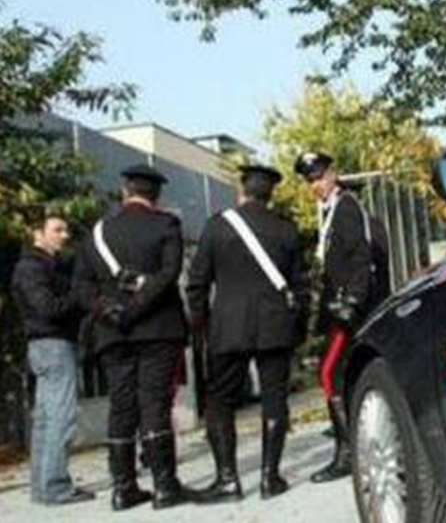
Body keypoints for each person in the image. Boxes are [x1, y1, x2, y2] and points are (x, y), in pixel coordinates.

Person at [72, 163, 196, 511]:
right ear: (156, 195)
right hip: (157, 328)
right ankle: (165, 486)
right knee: (154, 403)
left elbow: (81, 286)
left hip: (112, 331)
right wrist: (137, 306)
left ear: (125, 192)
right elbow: (169, 274)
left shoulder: (97, 232)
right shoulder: (166, 224)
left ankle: (123, 488)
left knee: (121, 406)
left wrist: (108, 310)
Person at [187, 164, 308, 503]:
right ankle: (270, 478)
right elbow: (300, 287)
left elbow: (197, 283)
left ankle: (228, 480)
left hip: (228, 326)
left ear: (241, 191)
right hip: (275, 325)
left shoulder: (217, 226)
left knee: (220, 400)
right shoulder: (286, 229)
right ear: (271, 194)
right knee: (275, 397)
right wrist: (296, 329)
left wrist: (200, 326)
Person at [293, 151, 377, 483]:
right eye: (310, 180)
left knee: (329, 374)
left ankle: (347, 454)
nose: (315, 185)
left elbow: (361, 256)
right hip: (337, 307)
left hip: (347, 308)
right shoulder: (330, 209)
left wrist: (352, 300)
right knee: (339, 375)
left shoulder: (345, 207)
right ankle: (351, 446)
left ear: (332, 173)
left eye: (319, 177)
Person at [12, 209, 95, 506]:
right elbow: (48, 308)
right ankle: (56, 486)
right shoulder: (30, 268)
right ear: (37, 234)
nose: (64, 235)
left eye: (65, 229)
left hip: (50, 346)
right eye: (57, 230)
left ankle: (43, 487)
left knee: (47, 419)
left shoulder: (50, 265)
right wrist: (78, 296)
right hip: (52, 346)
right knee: (61, 416)